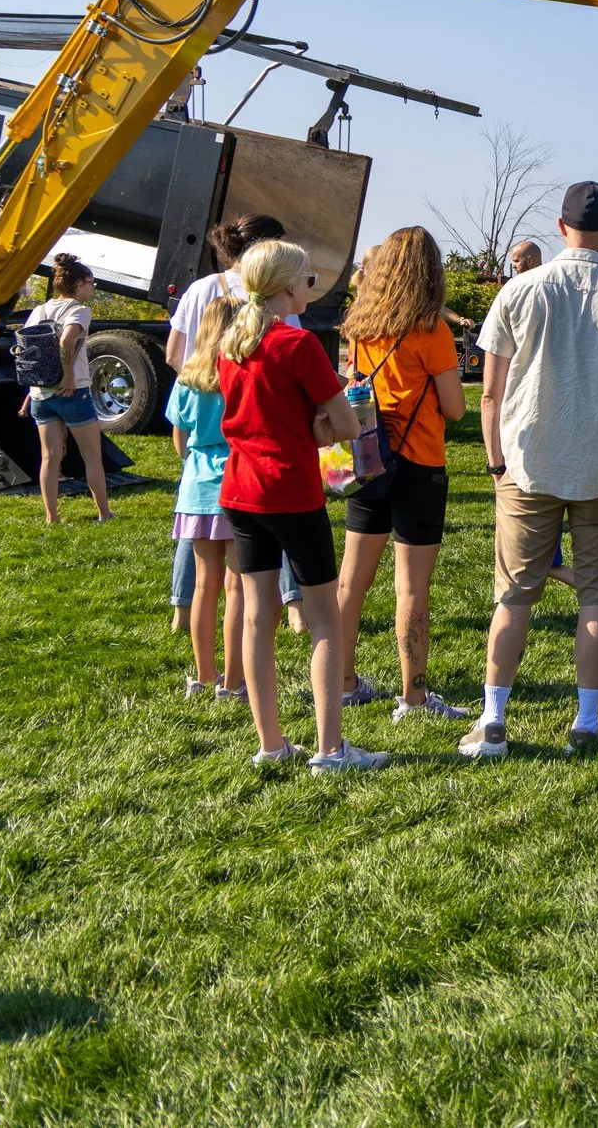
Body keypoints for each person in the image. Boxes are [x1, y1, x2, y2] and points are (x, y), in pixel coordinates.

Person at [467, 181, 598, 759]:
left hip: (526, 462)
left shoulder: (519, 291)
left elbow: (490, 394)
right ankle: (586, 720)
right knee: (597, 596)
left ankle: (494, 718)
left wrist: (495, 462)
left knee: (513, 596)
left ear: (560, 227)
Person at [217, 238, 390, 774]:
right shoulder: (298, 345)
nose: (312, 287)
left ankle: (270, 744)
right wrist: (319, 427)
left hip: (240, 490)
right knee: (324, 620)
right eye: (309, 279)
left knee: (257, 617)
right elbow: (347, 424)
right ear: (289, 286)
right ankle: (330, 750)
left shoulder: (232, 344)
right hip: (290, 491)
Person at [333, 225, 473, 725]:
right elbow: (455, 408)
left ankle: (342, 682)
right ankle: (413, 697)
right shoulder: (431, 331)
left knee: (352, 581)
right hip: (418, 463)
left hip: (369, 457)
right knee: (411, 589)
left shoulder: (360, 324)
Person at [166, 213, 308, 633]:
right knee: (275, 525)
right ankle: (294, 605)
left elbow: (174, 352)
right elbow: (289, 363)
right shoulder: (271, 291)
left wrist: (197, 383)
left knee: (196, 527)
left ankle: (182, 609)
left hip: (200, 436)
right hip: (250, 433)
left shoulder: (200, 288)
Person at [166, 296, 247, 704]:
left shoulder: (187, 376)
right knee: (237, 587)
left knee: (204, 586)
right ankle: (233, 682)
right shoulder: (241, 372)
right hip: (237, 483)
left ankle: (202, 676)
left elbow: (179, 440)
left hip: (196, 487)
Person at [21, 253, 112, 526]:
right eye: (91, 283)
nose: (93, 289)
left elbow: (33, 355)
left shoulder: (38, 312)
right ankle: (104, 513)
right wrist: (69, 377)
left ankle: (52, 516)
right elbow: (66, 341)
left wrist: (30, 394)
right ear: (78, 284)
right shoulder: (79, 310)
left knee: (49, 457)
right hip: (73, 391)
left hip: (41, 393)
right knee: (92, 456)